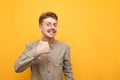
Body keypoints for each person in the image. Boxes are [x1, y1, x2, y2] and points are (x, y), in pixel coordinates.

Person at [14, 12, 74, 80]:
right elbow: (17, 68)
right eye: (48, 24)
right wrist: (37, 51)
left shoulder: (64, 47)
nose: (52, 27)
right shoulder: (31, 46)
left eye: (55, 25)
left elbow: (68, 72)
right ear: (40, 27)